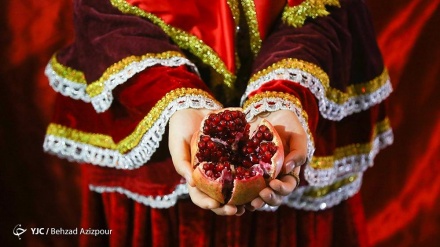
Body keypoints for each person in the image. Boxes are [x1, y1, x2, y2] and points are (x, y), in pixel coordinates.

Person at [43, 0, 393, 246]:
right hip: (158, 159)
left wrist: (287, 93)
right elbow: (105, 14)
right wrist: (174, 98)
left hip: (291, 159)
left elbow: (326, 9)